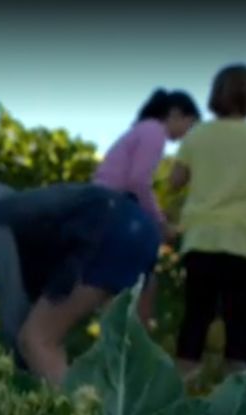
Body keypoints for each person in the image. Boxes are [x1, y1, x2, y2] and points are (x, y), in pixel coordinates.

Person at [0, 181, 160, 387]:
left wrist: (9, 381)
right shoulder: (4, 206)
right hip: (137, 223)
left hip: (105, 231)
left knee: (34, 341)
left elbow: (15, 319)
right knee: (131, 357)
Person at [168, 64, 246, 385]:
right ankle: (236, 398)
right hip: (243, 240)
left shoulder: (198, 135)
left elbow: (175, 180)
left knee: (196, 316)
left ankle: (181, 388)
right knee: (239, 320)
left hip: (202, 237)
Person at [93, 88, 201, 327]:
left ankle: (117, 338)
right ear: (175, 114)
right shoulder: (155, 132)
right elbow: (138, 181)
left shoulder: (142, 129)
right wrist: (160, 221)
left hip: (104, 204)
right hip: (116, 205)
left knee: (117, 280)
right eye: (189, 124)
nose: (187, 134)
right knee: (141, 275)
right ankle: (133, 338)